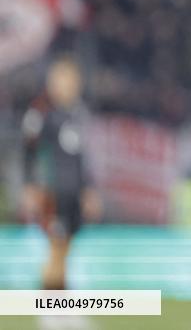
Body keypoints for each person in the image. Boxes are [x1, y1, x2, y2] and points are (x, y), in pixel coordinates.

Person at [21, 58, 101, 293]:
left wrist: (88, 190)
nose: (69, 86)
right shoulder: (40, 113)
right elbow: (29, 152)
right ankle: (50, 300)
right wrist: (30, 186)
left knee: (66, 247)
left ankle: (59, 299)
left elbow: (82, 159)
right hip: (52, 192)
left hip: (73, 192)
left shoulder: (78, 114)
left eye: (73, 81)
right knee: (56, 247)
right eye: (63, 80)